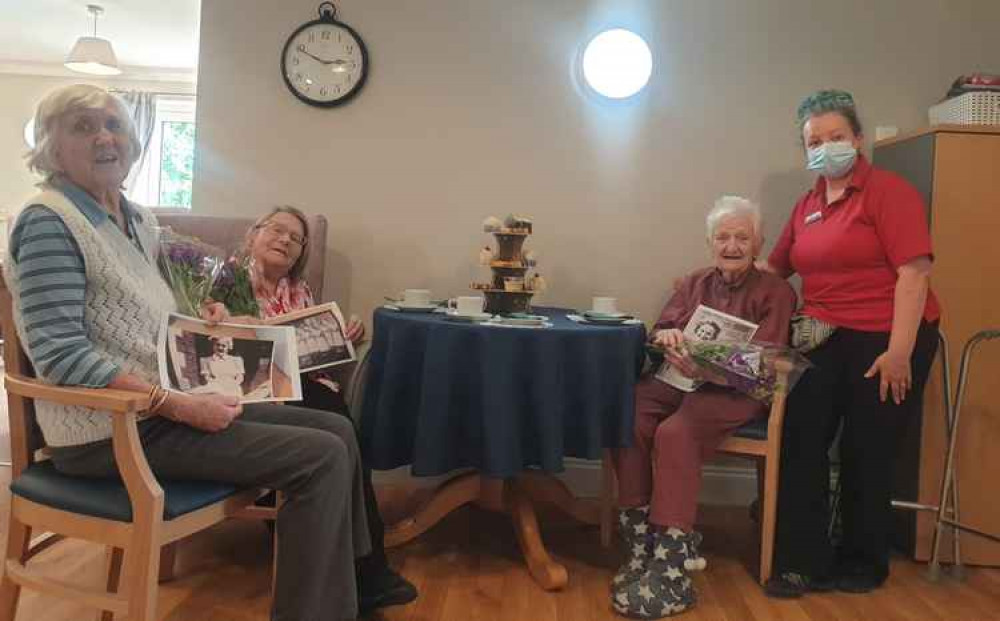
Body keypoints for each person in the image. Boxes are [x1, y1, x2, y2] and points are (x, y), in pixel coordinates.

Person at [3, 84, 371, 621]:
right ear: (52, 148)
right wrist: (175, 404)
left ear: (133, 142)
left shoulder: (131, 219)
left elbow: (151, 312)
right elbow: (61, 357)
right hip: (106, 432)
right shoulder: (48, 222)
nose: (105, 136)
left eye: (115, 126)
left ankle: (352, 588)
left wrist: (206, 317)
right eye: (83, 126)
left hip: (156, 412)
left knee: (335, 429)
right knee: (320, 456)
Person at [763, 90, 940, 597]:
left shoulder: (888, 192)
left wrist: (900, 351)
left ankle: (864, 560)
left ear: (857, 139)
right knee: (801, 440)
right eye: (814, 142)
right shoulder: (807, 204)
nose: (826, 147)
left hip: (889, 335)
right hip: (822, 335)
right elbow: (775, 270)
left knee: (868, 449)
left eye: (835, 136)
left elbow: (914, 273)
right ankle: (800, 561)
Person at [612, 196, 796, 619]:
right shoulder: (695, 281)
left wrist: (710, 362)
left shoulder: (777, 292)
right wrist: (670, 339)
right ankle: (642, 546)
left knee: (675, 433)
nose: (732, 246)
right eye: (723, 237)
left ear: (759, 242)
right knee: (630, 413)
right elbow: (662, 329)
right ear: (710, 242)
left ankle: (672, 564)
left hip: (735, 391)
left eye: (742, 237)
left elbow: (768, 360)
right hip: (679, 378)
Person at [231, 206, 418, 615]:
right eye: (276, 230)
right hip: (258, 391)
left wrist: (344, 339)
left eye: (295, 239)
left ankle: (361, 572)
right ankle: (367, 572)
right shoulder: (227, 281)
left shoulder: (299, 292)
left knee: (342, 428)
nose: (285, 241)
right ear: (253, 235)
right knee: (336, 424)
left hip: (307, 386)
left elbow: (317, 357)